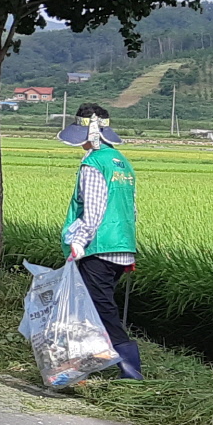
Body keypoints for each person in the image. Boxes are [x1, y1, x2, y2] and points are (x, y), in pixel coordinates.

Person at [60, 103, 143, 379]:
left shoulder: (93, 163)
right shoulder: (121, 161)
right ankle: (87, 365)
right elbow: (131, 209)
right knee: (92, 308)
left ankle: (131, 370)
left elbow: (94, 210)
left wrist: (79, 241)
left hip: (99, 248)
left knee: (100, 309)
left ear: (91, 132)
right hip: (122, 248)